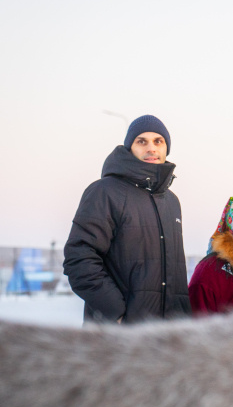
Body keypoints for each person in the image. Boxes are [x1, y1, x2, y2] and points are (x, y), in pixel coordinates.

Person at [64, 115, 190, 323]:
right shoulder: (104, 191)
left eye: (158, 141)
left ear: (166, 148)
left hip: (166, 335)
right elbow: (79, 256)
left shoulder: (171, 201)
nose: (151, 148)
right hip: (118, 334)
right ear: (129, 147)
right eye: (142, 141)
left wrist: (181, 319)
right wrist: (116, 311)